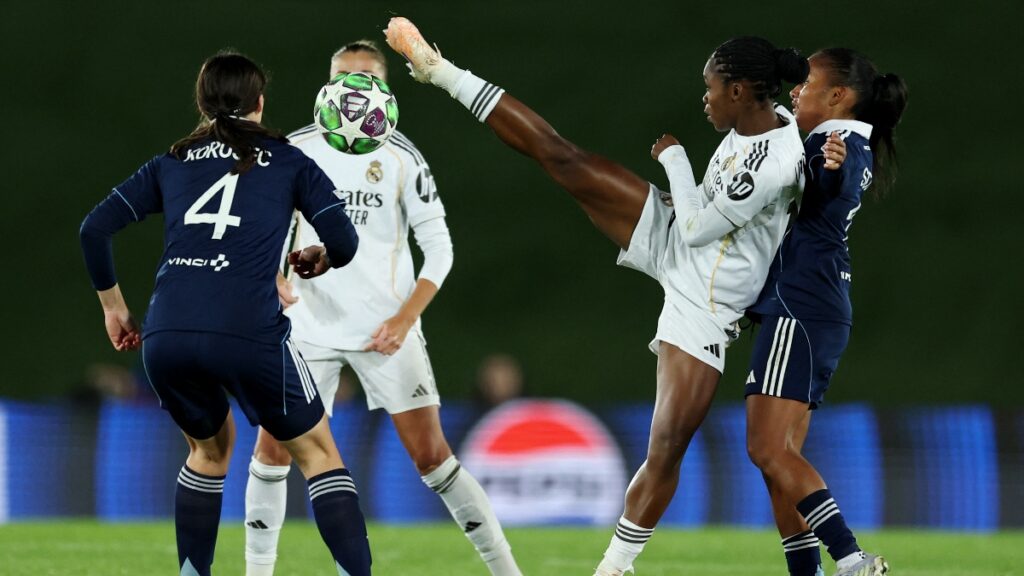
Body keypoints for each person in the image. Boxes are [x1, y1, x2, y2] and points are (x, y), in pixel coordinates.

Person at [384, 18, 817, 576]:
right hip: (677, 230)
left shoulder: (774, 161)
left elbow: (697, 229)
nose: (704, 98)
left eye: (710, 87)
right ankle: (439, 71)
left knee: (667, 446)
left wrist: (676, 158)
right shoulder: (772, 118)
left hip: (705, 302)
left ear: (738, 91)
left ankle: (613, 568)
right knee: (564, 159)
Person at [79, 51, 372, 576]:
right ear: (260, 103)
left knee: (210, 453)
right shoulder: (290, 162)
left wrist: (114, 309)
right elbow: (345, 241)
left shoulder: (171, 161)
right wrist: (320, 257)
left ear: (202, 103)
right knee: (319, 454)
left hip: (167, 334)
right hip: (248, 330)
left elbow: (94, 229)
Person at [243, 40, 522, 576]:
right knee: (273, 455)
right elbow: (262, 230)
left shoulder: (403, 158)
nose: (353, 91)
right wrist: (273, 276)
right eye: (343, 78)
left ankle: (508, 572)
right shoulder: (293, 150)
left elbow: (439, 248)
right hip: (307, 327)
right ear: (326, 87)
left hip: (385, 327)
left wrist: (405, 317)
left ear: (387, 91)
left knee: (433, 458)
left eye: (366, 78)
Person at [744, 48, 907, 576]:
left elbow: (832, 176)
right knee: (780, 461)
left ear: (838, 96)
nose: (796, 90)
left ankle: (852, 558)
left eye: (807, 83)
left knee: (767, 449)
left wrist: (829, 168)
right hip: (817, 307)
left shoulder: (836, 144)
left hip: (801, 306)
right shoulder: (843, 141)